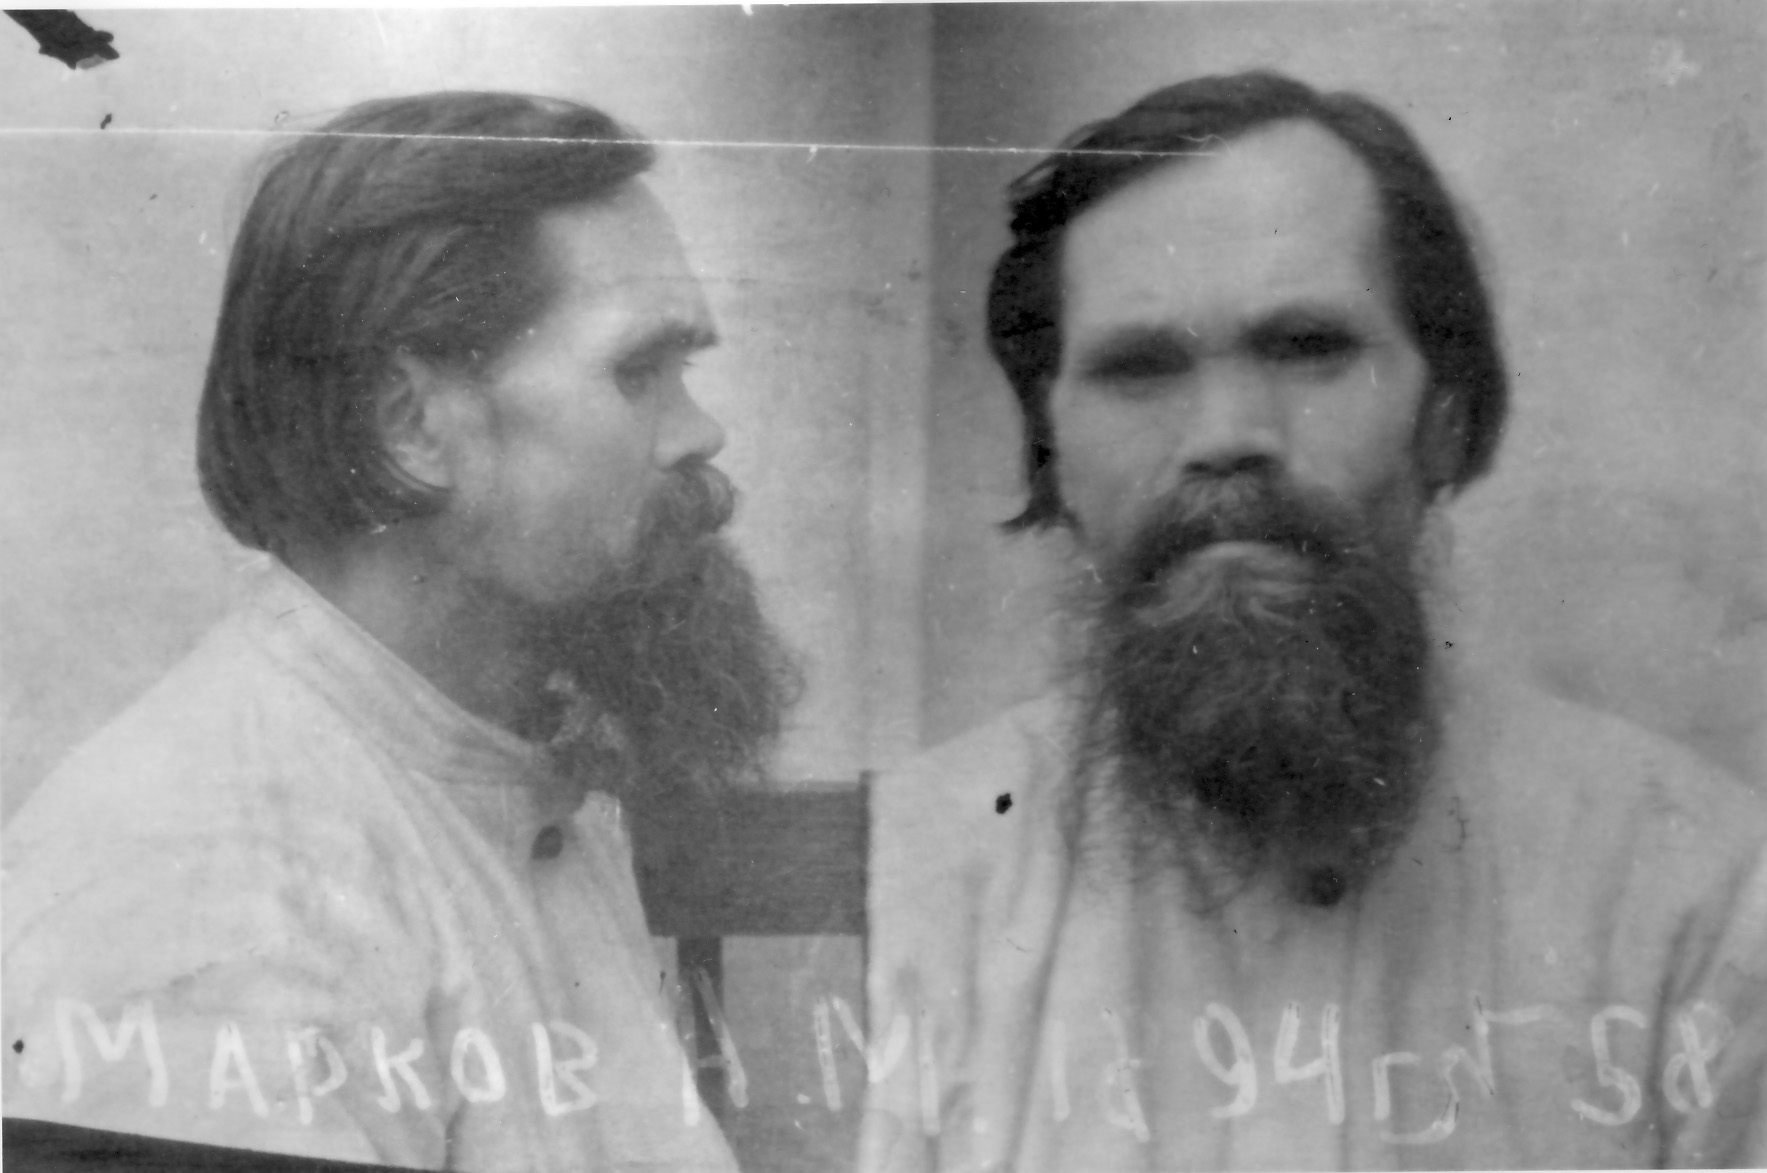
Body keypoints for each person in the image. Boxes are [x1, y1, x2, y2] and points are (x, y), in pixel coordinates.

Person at [859, 71, 1766, 1171]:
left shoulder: (1699, 895)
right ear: (1052, 456)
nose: (1226, 434)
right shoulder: (913, 885)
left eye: (1307, 347)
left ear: (1445, 418)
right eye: (1138, 367)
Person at [3, 91, 798, 1172]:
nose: (701, 433)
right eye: (637, 372)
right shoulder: (208, 891)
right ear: (408, 423)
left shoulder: (515, 770)